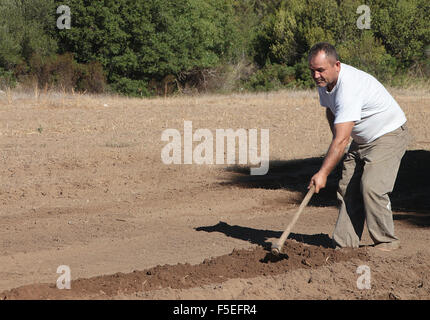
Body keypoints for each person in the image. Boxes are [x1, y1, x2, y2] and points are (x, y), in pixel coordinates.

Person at [307, 42, 410, 251]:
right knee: (347, 189)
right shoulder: (325, 83)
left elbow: (343, 140)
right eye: (312, 70)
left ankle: (386, 241)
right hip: (362, 139)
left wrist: (323, 173)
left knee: (372, 187)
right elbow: (330, 109)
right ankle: (345, 245)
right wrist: (337, 137)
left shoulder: (349, 88)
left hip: (388, 134)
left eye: (320, 70)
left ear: (336, 65)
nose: (316, 75)